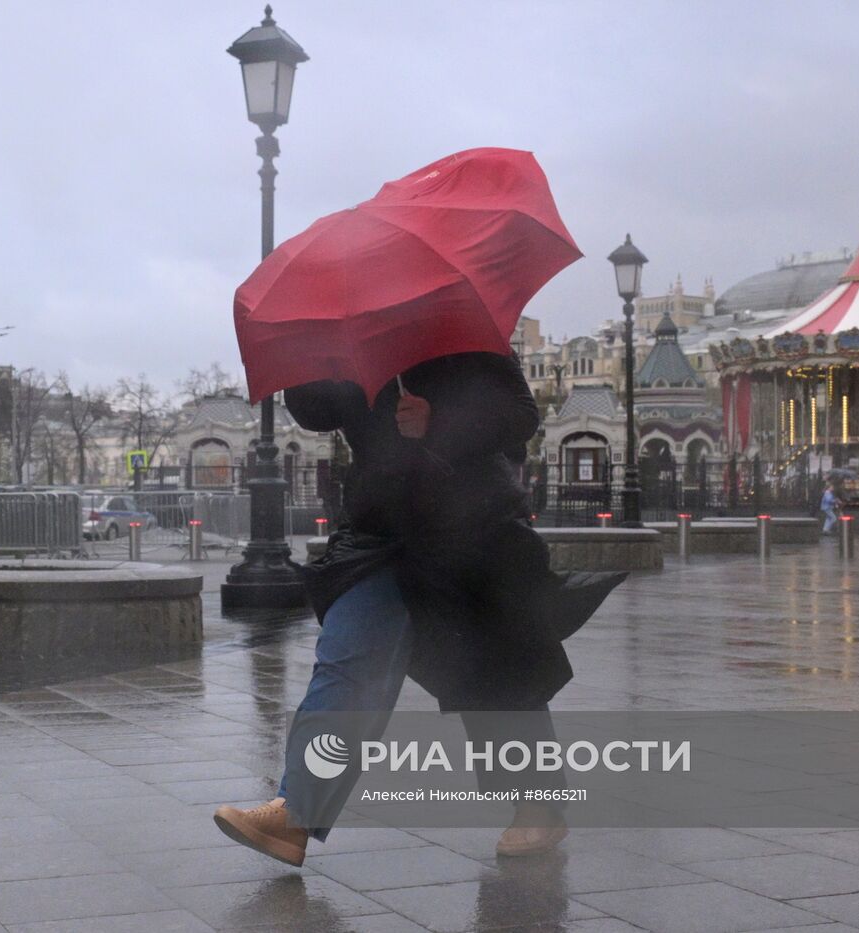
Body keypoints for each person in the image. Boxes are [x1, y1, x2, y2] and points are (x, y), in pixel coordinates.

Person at [213, 350, 625, 867]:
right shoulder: (355, 335)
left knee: (496, 674)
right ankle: (295, 814)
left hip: (471, 529)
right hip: (381, 529)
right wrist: (303, 360)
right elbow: (320, 412)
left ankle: (537, 806)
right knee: (348, 655)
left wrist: (440, 423)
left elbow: (520, 414)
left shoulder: (465, 332)